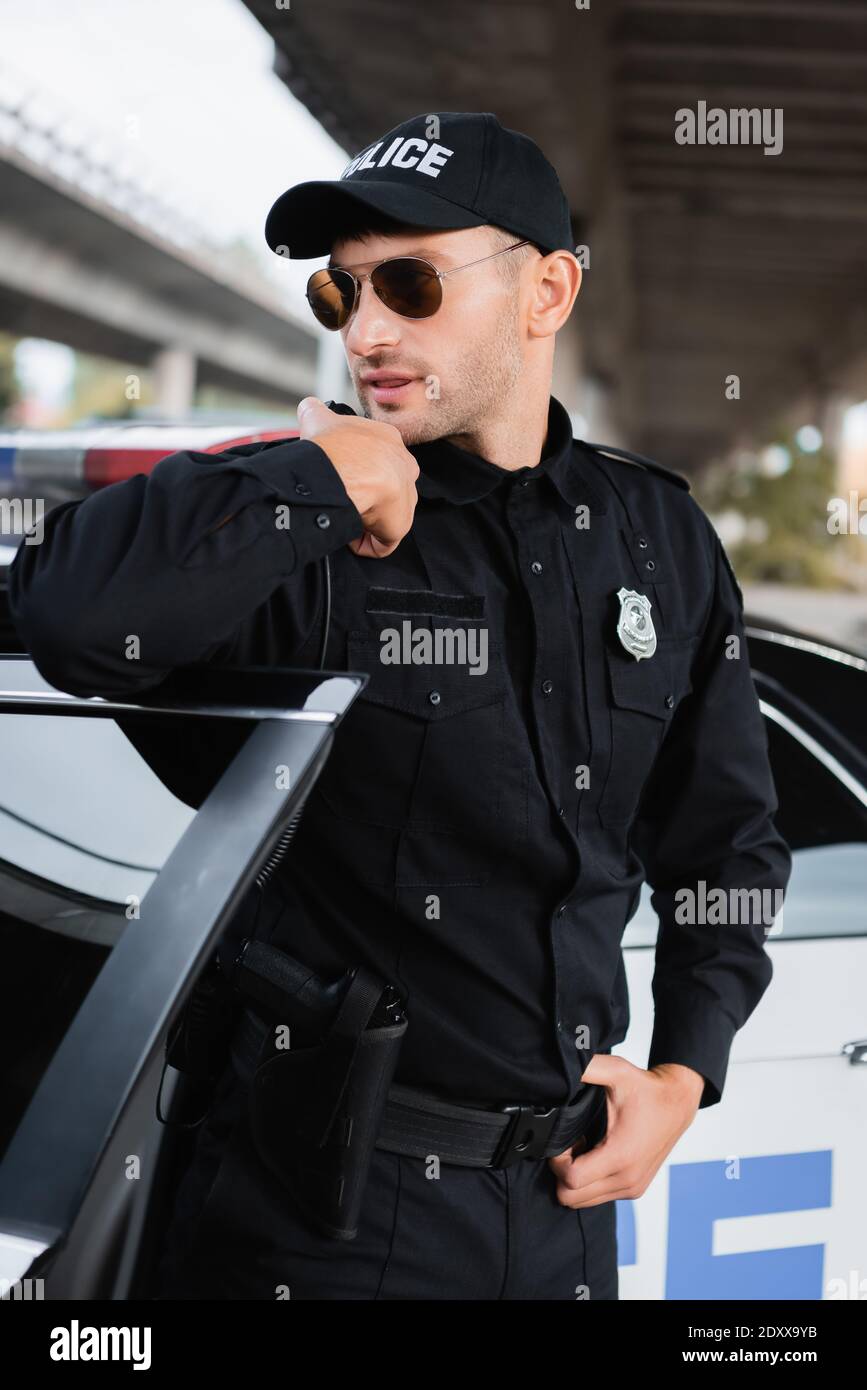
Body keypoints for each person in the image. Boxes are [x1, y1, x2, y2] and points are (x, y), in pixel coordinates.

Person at [9, 111, 791, 1301]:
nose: (367, 331)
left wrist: (688, 1070)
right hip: (320, 1218)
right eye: (343, 294)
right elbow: (64, 615)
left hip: (563, 1213)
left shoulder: (658, 540)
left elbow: (725, 838)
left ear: (548, 292)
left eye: (412, 284)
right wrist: (309, 476)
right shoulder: (306, 541)